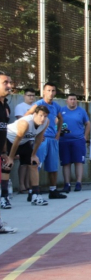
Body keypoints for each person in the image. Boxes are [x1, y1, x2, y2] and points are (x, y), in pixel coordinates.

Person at [24, 82, 67, 199]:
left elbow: (61, 118)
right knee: (36, 165)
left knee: (53, 166)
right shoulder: (38, 104)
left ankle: (53, 191)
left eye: (53, 90)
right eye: (48, 90)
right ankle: (32, 192)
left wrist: (58, 133)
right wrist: (34, 134)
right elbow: (26, 117)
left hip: (53, 140)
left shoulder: (56, 106)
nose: (51, 93)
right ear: (43, 92)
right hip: (41, 140)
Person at [5, 106, 50, 206]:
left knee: (33, 163)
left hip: (24, 142)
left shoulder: (46, 122)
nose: (42, 118)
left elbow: (39, 138)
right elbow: (17, 140)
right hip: (8, 140)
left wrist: (33, 155)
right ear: (34, 114)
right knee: (7, 166)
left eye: (45, 116)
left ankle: (35, 195)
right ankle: (4, 197)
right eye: (40, 115)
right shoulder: (25, 123)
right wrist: (11, 158)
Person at [60, 93, 90, 193]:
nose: (73, 101)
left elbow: (88, 124)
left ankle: (78, 183)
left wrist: (85, 137)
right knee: (66, 163)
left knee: (78, 162)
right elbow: (57, 123)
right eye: (71, 99)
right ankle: (67, 184)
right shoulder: (61, 110)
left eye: (74, 99)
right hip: (64, 141)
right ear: (67, 101)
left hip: (78, 140)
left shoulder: (81, 111)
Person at [0, 72, 16, 232]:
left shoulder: (5, 106)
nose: (9, 86)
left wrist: (4, 152)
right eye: (5, 82)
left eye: (10, 82)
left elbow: (2, 130)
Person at [14, 88, 36, 194]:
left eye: (33, 95)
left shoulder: (36, 107)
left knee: (29, 163)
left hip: (33, 137)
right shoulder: (20, 107)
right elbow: (21, 121)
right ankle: (21, 185)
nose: (31, 97)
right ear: (24, 96)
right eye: (29, 95)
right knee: (23, 163)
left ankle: (28, 184)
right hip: (23, 138)